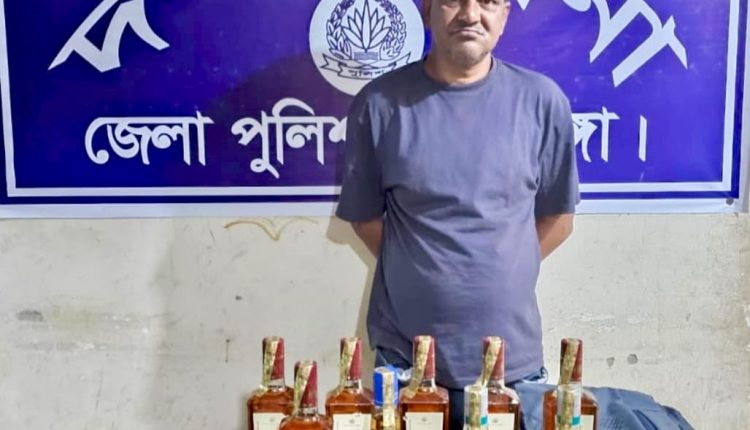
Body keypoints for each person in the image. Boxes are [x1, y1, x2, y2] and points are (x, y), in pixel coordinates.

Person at [335, 0, 579, 428]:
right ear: (427, 9)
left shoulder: (542, 102)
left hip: (513, 367)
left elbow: (559, 219)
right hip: (406, 365)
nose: (470, 14)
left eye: (488, 2)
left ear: (505, 15)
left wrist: (503, 265)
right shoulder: (379, 104)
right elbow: (364, 219)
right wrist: (421, 267)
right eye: (453, 0)